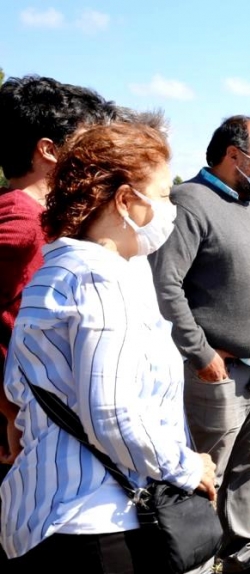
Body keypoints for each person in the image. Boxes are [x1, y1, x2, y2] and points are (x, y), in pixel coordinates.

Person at [0, 122, 216, 574]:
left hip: (48, 512)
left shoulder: (54, 269)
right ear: (124, 200)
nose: (170, 209)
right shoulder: (101, 279)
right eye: (162, 195)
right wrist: (188, 466)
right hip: (103, 525)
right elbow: (114, 414)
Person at [149, 116, 250, 574]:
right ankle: (197, 567)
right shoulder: (190, 202)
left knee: (249, 466)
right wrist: (200, 352)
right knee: (205, 471)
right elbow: (164, 285)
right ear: (235, 155)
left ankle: (242, 552)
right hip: (218, 373)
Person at [0, 75, 115, 470]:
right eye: (86, 142)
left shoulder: (46, 219)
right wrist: (7, 407)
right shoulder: (21, 220)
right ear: (49, 149)